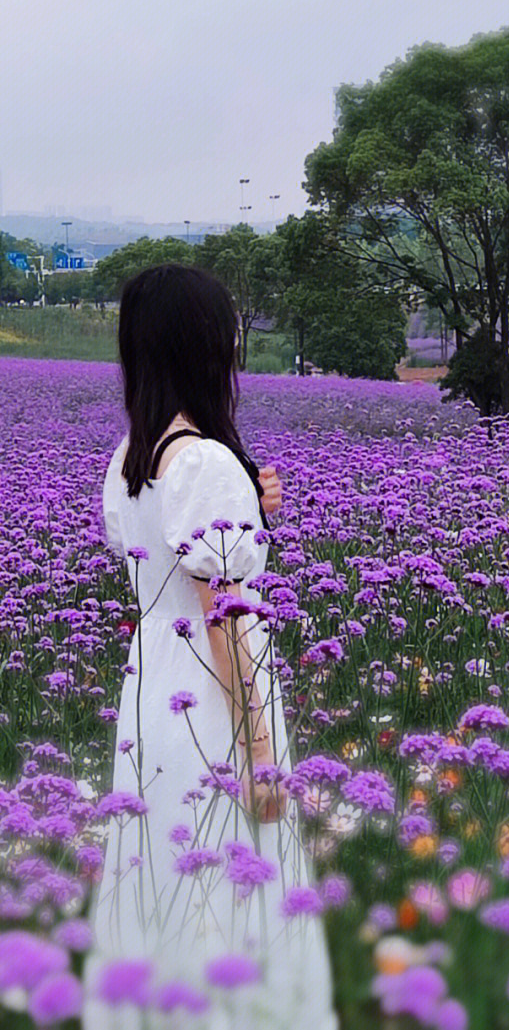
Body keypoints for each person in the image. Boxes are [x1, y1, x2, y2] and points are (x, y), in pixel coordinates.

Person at [83, 264, 336, 1029]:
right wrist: (262, 754)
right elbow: (223, 615)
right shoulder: (204, 461)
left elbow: (163, 561)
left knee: (162, 866)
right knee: (232, 872)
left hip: (154, 685)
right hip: (214, 690)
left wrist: (247, 508)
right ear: (202, 343)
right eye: (228, 328)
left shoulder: (131, 458)